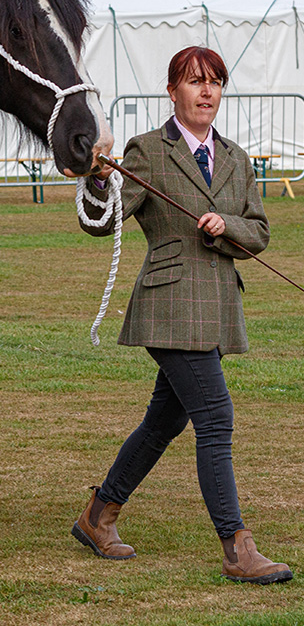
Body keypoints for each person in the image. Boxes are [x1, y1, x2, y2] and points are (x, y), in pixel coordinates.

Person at [72, 46, 293, 585]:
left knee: (165, 420)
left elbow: (258, 232)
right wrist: (98, 180)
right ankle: (237, 547)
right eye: (195, 82)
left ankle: (98, 515)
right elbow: (104, 222)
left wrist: (229, 227)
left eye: (215, 82)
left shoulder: (238, 159)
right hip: (168, 306)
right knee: (215, 417)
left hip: (217, 308)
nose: (207, 91)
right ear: (173, 91)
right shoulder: (146, 150)